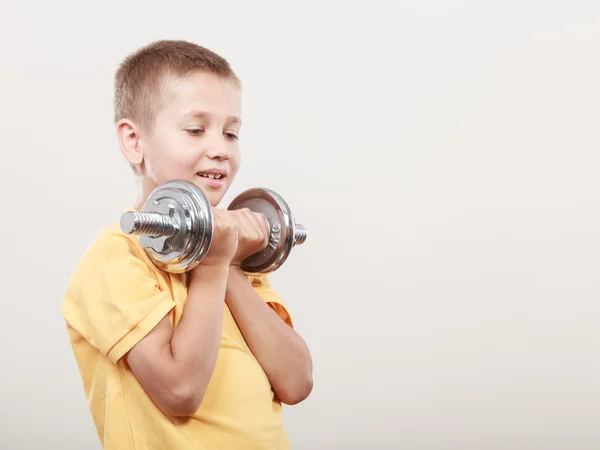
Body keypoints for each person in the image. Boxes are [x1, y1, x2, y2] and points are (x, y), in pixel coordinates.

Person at [61, 39, 313, 450]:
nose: (219, 149)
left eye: (231, 133)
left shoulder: (236, 259)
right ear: (133, 141)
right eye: (196, 130)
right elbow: (180, 391)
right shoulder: (116, 259)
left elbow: (297, 381)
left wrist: (229, 265)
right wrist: (213, 268)